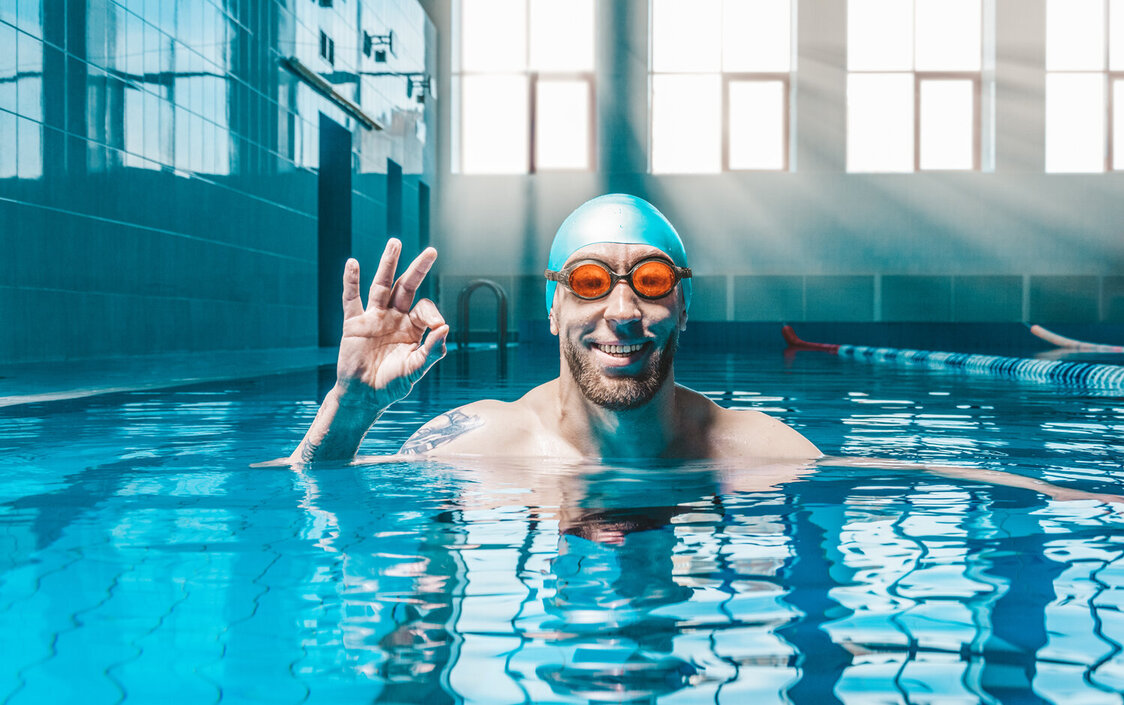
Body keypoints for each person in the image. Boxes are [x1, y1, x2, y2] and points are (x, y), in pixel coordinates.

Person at [290, 194, 821, 463]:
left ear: (683, 308)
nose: (622, 310)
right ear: (552, 310)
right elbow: (294, 485)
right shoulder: (479, 442)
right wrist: (348, 412)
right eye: (588, 282)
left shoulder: (764, 450)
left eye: (652, 280)